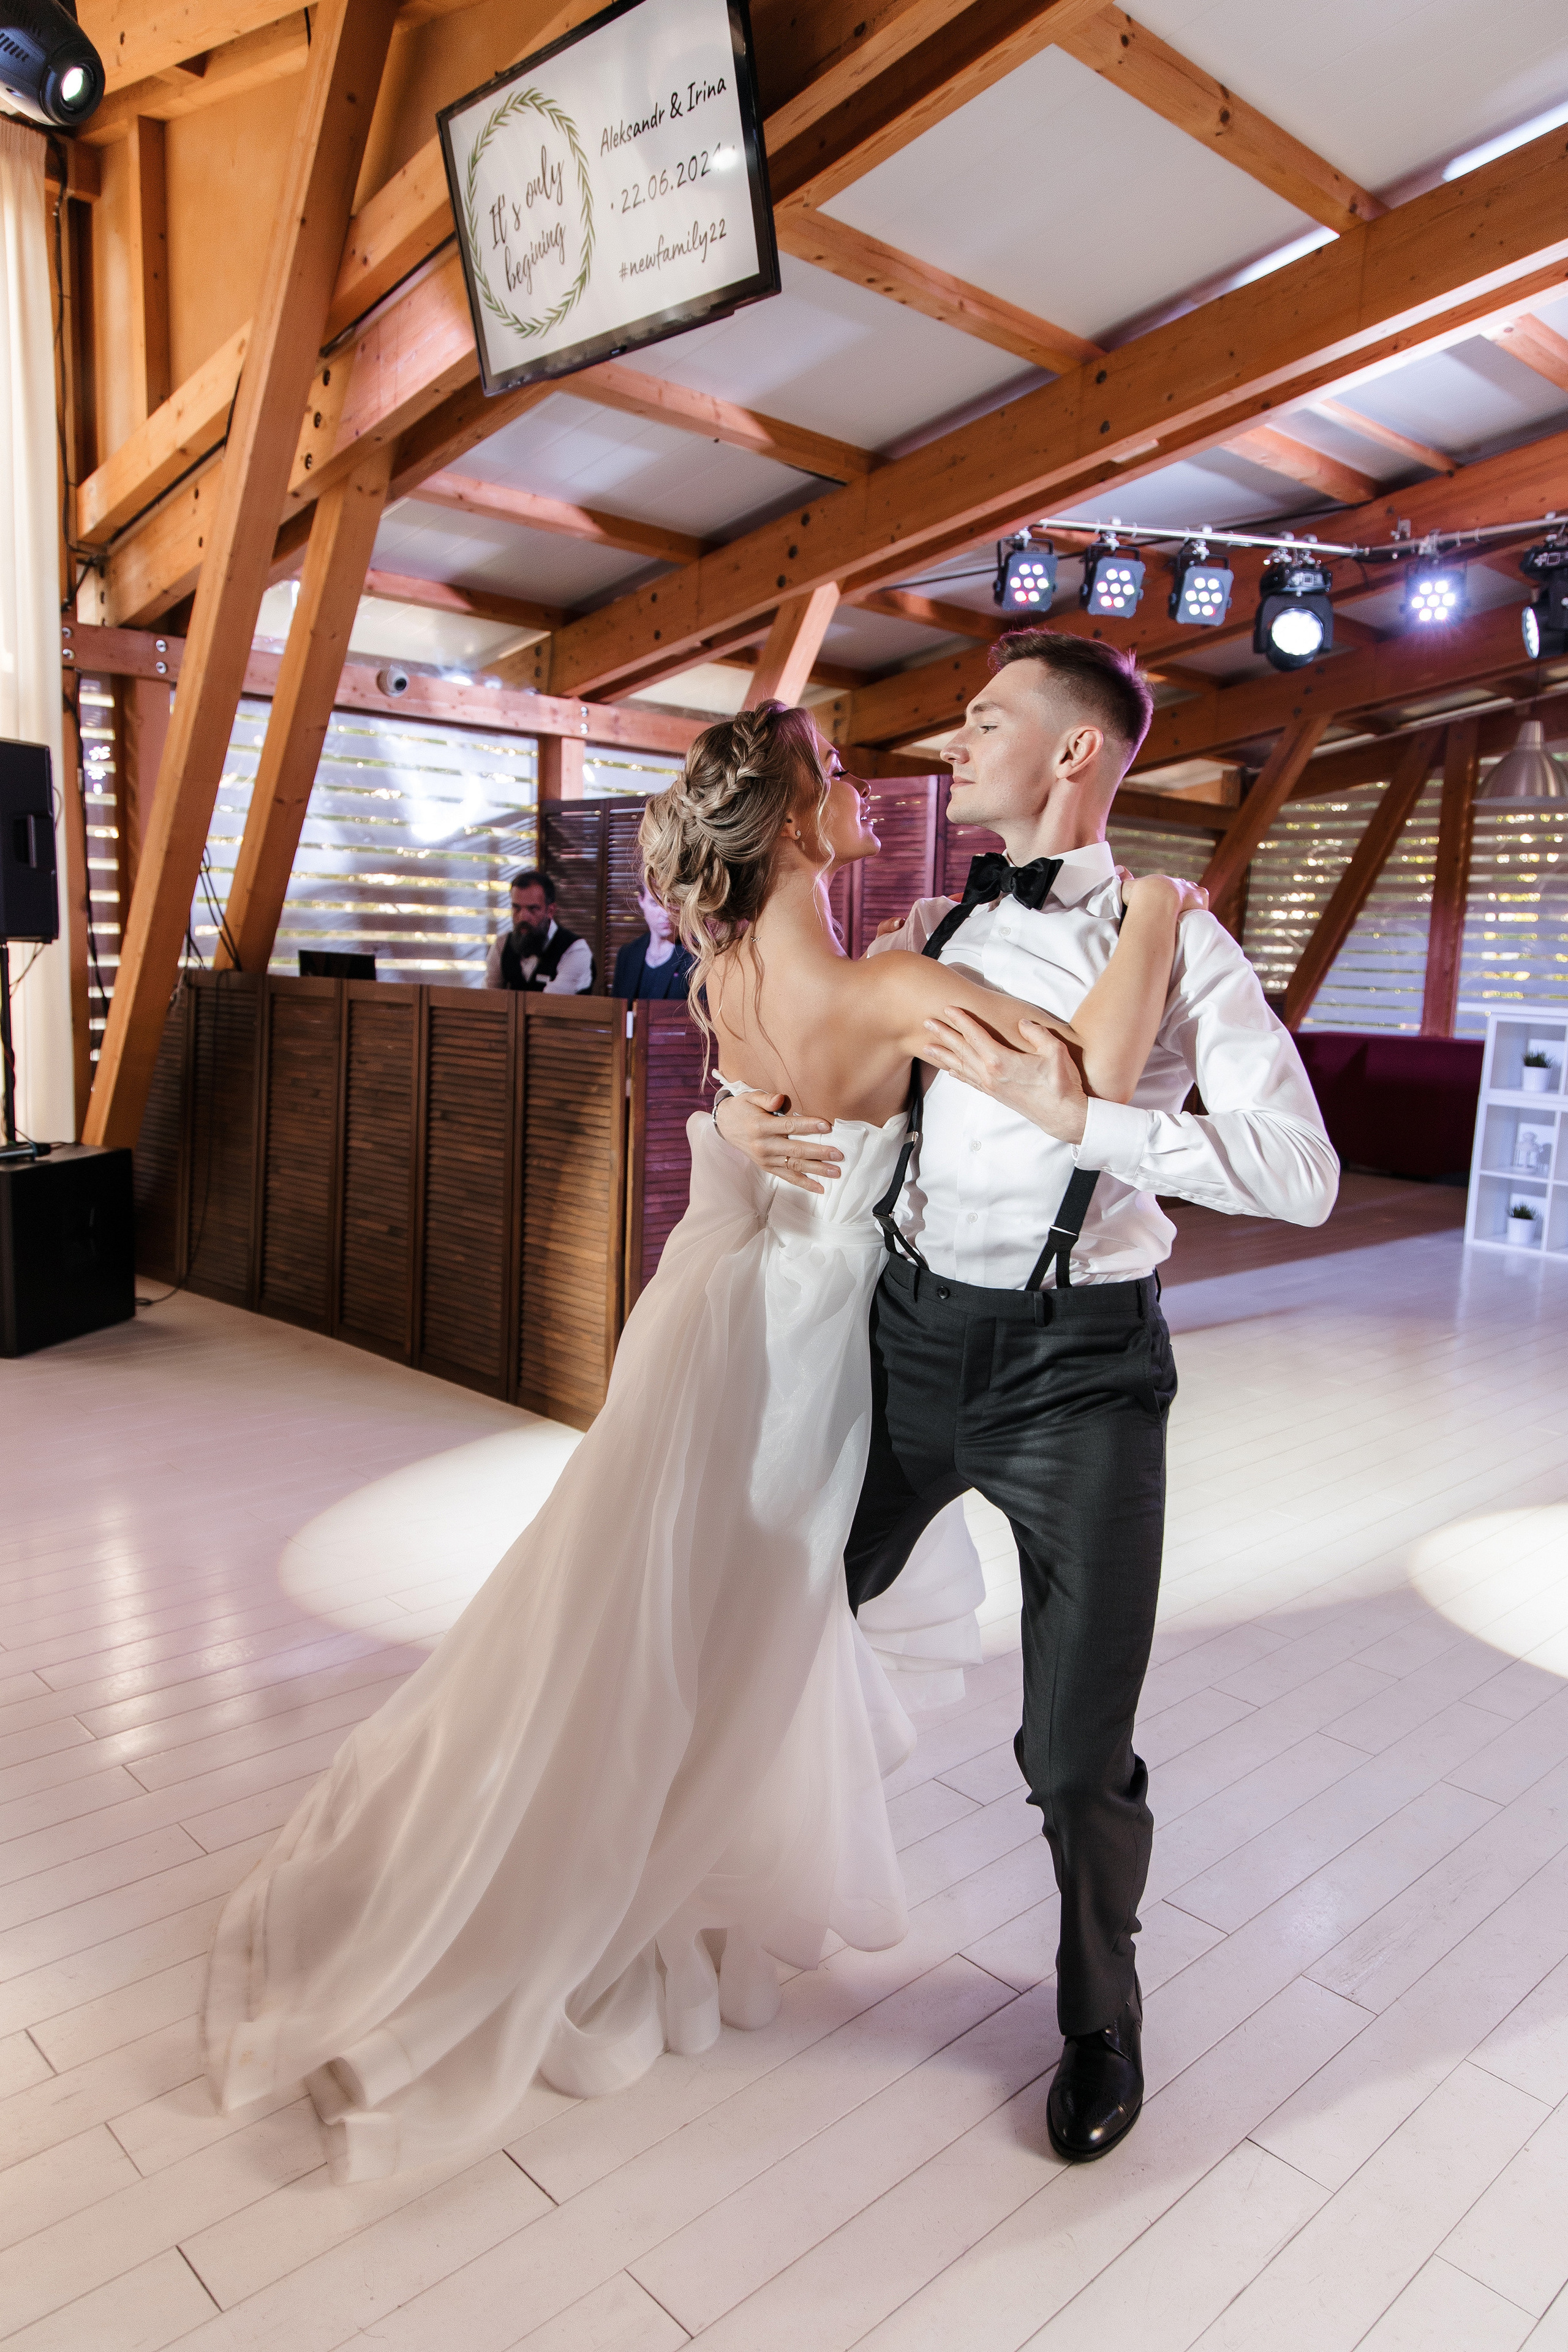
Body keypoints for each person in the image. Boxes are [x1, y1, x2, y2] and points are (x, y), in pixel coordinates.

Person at [203, 697, 1199, 2185]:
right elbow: (1087, 1080)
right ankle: (642, 1869)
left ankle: (629, 1838)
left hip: (710, 1301)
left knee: (656, 1607)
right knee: (736, 1623)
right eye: (839, 776)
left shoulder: (725, 956)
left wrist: (728, 1129)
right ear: (794, 821)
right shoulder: (888, 985)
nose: (867, 786)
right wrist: (1161, 910)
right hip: (810, 1336)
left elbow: (741, 1098)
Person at [717, 631, 1339, 2163]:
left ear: (1071, 752)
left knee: (1072, 1750)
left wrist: (1104, 1127)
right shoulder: (931, 914)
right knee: (777, 1607)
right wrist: (732, 1111)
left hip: (1084, 1371)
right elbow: (804, 1060)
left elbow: (1301, 1176)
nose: (948, 744)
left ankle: (1098, 2010)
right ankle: (700, 1883)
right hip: (908, 1333)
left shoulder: (1180, 943)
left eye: (982, 720)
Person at [484, 868, 594, 993]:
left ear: (551, 911)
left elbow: (550, 1004)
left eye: (532, 909)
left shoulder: (575, 950)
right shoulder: (502, 945)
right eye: (517, 908)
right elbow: (488, 1000)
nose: (523, 917)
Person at [613, 873, 695, 999]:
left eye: (672, 902)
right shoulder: (628, 955)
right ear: (641, 901)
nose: (666, 914)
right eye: (656, 903)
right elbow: (617, 1012)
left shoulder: (695, 957)